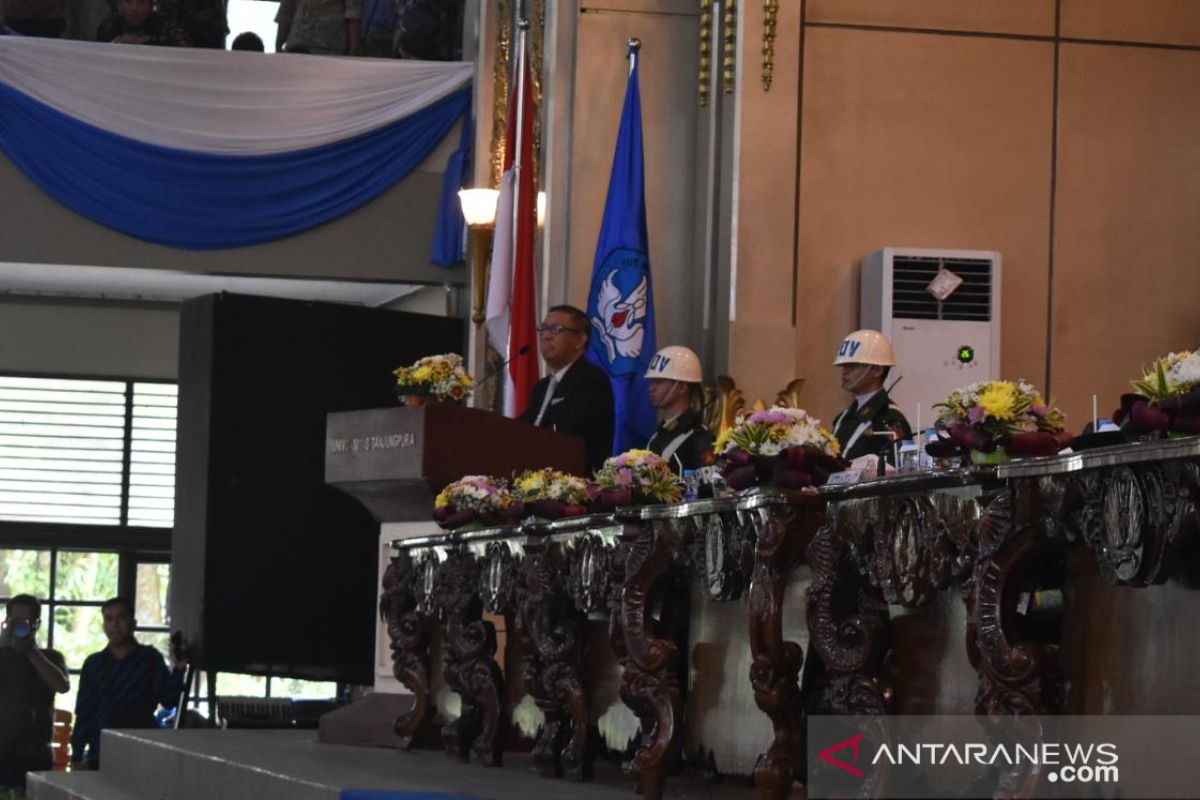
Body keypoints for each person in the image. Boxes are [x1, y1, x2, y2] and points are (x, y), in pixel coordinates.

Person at [71, 597, 185, 770]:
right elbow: (84, 711)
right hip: (101, 749)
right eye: (109, 619)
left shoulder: (150, 659)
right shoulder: (93, 664)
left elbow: (170, 699)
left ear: (133, 623)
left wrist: (178, 670)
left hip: (142, 747)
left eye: (121, 618)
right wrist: (77, 754)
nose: (114, 624)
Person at [520, 304, 615, 476]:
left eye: (556, 329)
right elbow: (522, 428)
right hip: (533, 479)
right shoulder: (541, 388)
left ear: (580, 340)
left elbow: (572, 433)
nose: (546, 336)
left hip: (573, 482)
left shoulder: (592, 380)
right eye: (543, 328)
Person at [0, 594, 69, 791]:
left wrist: (31, 651)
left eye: (25, 621)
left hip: (35, 754)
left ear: (36, 625)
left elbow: (62, 686)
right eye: (15, 620)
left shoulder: (50, 657)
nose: (19, 626)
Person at [830, 329, 912, 463]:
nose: (845, 372)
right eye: (844, 366)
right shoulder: (843, 417)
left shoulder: (891, 418)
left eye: (853, 366)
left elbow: (899, 469)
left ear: (877, 370)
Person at [644, 345, 715, 474]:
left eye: (659, 382)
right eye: (652, 381)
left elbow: (708, 488)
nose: (652, 388)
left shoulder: (700, 439)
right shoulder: (657, 437)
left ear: (681, 387)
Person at [275, 0, 361, 55]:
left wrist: (352, 51)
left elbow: (353, 15)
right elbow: (286, 12)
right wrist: (278, 46)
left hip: (328, 49)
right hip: (296, 46)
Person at [95, 0, 190, 45]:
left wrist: (145, 44)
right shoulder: (111, 24)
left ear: (150, 6)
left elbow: (184, 49)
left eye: (141, 2)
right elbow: (95, 53)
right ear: (121, 4)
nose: (134, 8)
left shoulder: (163, 24)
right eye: (128, 2)